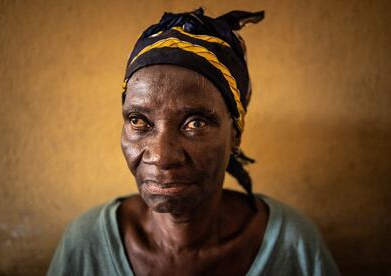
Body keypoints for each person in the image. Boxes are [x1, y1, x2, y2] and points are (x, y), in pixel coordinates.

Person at [47, 8, 340, 276]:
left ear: (235, 134)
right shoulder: (86, 244)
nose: (162, 157)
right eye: (139, 121)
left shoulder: (294, 245)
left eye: (195, 123)